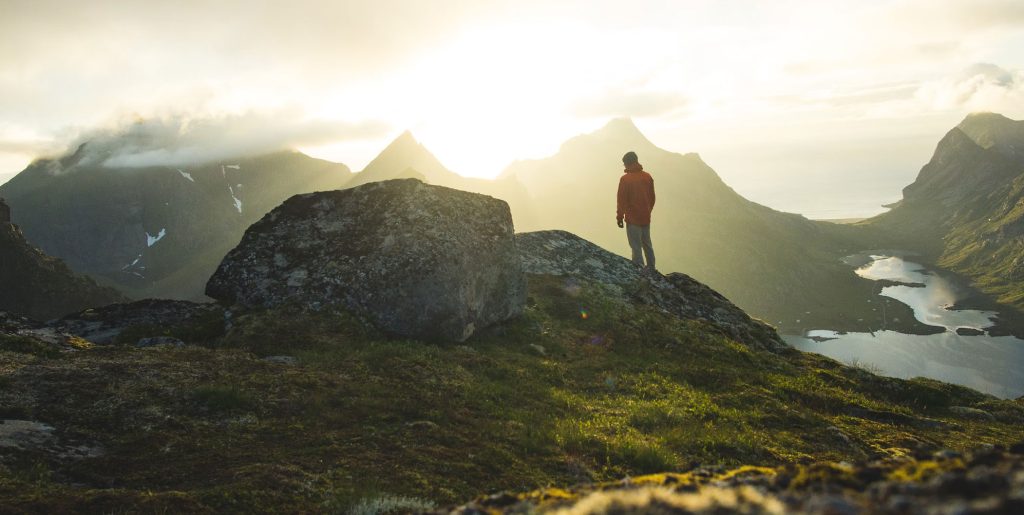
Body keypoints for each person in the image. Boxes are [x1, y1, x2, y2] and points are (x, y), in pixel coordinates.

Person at [616, 151, 656, 273]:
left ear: (627, 163)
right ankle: (652, 269)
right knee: (647, 245)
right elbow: (652, 197)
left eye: (624, 164)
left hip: (633, 219)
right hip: (645, 217)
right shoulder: (647, 177)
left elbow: (621, 200)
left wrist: (619, 217)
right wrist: (648, 210)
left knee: (636, 246)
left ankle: (639, 272)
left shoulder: (625, 179)